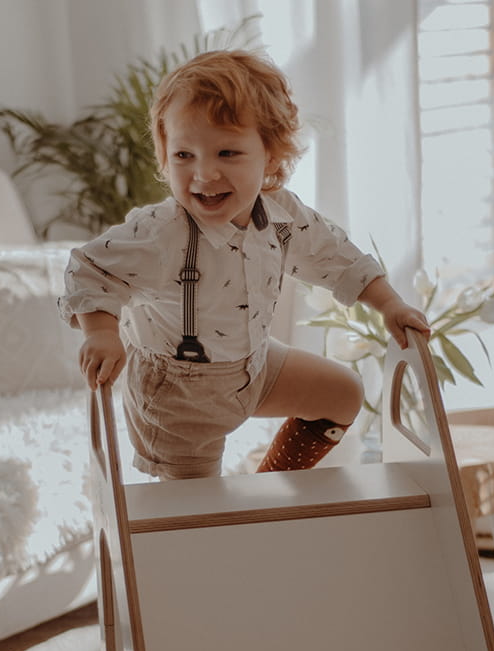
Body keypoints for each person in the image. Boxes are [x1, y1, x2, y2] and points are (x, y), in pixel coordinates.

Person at [59, 48, 430, 480]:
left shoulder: (283, 216)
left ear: (270, 156)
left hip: (253, 365)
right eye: (184, 155)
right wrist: (102, 333)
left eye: (228, 154)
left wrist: (389, 304)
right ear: (165, 155)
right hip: (178, 397)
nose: (204, 174)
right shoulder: (159, 232)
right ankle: (207, 533)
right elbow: (90, 269)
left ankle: (270, 484)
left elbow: (338, 258)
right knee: (200, 517)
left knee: (343, 393)